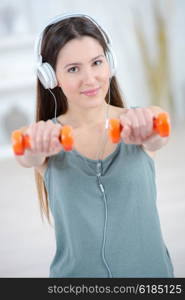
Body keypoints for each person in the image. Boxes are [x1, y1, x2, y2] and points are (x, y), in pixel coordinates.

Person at [14, 13, 174, 278]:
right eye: (73, 68)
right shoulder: (45, 137)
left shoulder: (141, 121)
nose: (90, 79)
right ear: (50, 77)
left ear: (109, 64)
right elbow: (27, 155)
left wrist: (148, 129)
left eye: (96, 63)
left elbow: (159, 135)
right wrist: (36, 146)